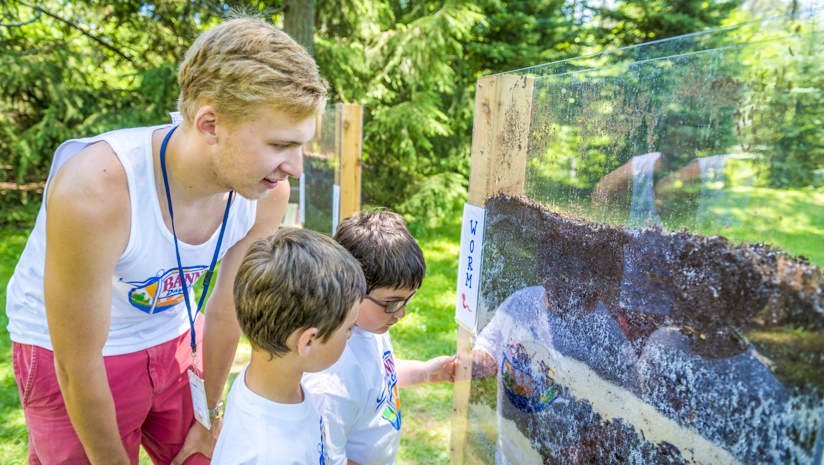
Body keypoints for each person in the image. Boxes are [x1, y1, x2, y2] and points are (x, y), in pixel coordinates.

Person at [5, 18, 327, 464]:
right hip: (71, 352)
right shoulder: (95, 191)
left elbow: (226, 305)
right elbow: (77, 362)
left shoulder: (267, 193)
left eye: (301, 146)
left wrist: (209, 411)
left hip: (174, 336)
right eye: (279, 145)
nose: (295, 167)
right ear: (210, 123)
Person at [302, 210, 457, 465]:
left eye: (409, 299)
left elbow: (377, 374)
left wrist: (423, 372)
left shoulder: (370, 328)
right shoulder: (330, 382)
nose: (403, 313)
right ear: (350, 287)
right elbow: (328, 459)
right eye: (392, 303)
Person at [212, 228, 365, 464]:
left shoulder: (267, 379)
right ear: (308, 342)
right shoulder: (264, 454)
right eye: (348, 328)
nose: (351, 335)